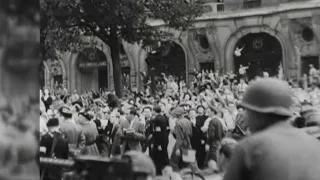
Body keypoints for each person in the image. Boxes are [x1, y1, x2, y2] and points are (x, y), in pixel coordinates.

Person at [223, 78, 320, 180]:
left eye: (247, 111)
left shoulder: (249, 148)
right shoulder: (314, 143)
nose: (245, 118)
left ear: (257, 113)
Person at [147, 105, 170, 175]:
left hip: (160, 141)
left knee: (158, 156)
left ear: (154, 111)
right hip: (163, 140)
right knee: (161, 155)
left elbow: (158, 133)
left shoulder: (158, 119)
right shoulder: (163, 117)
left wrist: (159, 144)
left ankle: (159, 171)